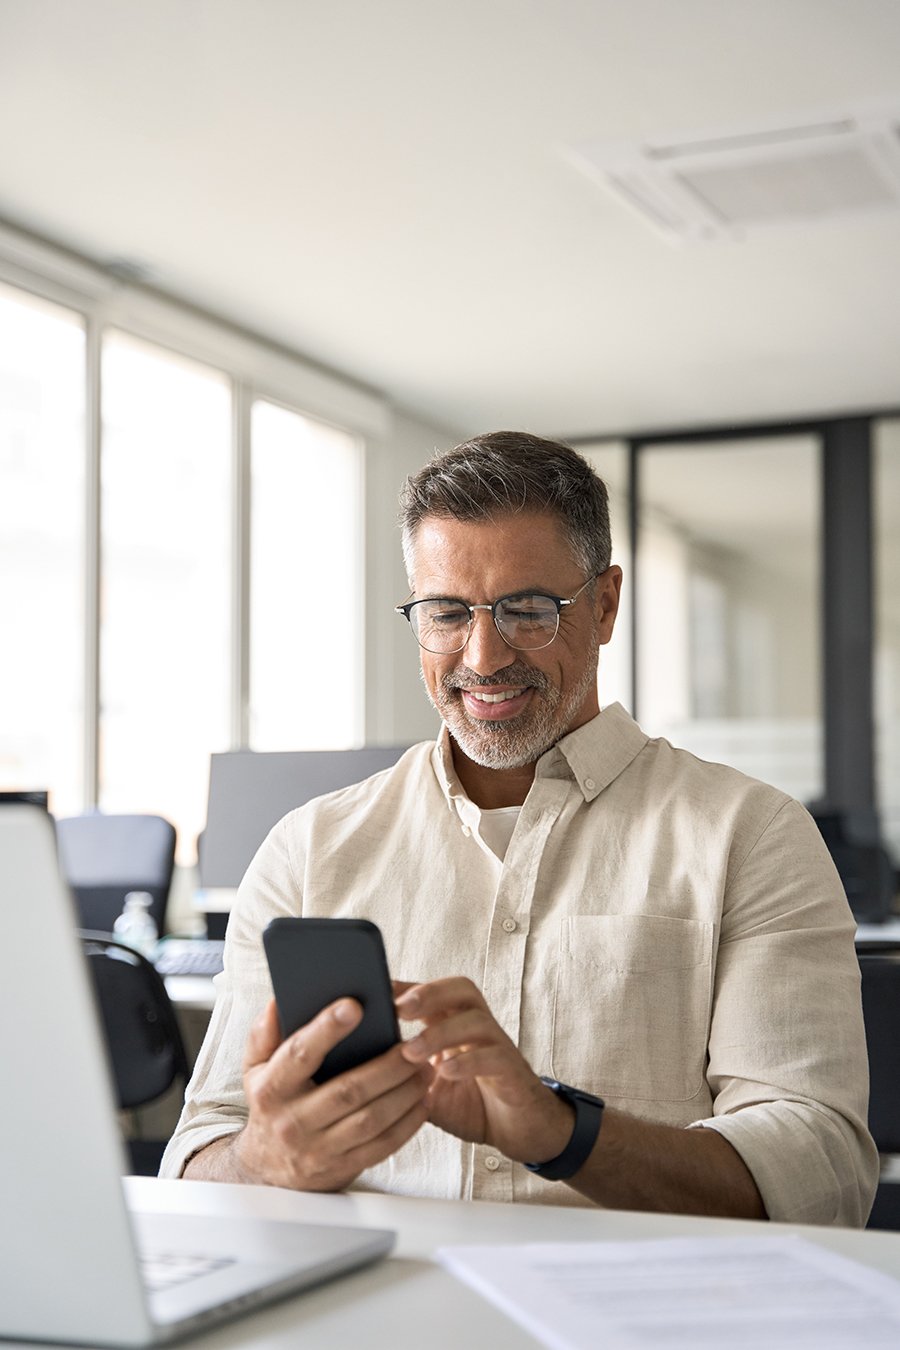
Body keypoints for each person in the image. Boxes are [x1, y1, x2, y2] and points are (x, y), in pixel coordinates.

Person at [161, 431, 877, 1225]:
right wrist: (265, 1159)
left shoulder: (751, 835)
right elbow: (197, 1159)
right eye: (446, 612)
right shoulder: (308, 849)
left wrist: (560, 1131)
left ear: (604, 606)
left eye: (527, 610)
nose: (484, 655)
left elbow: (822, 1169)